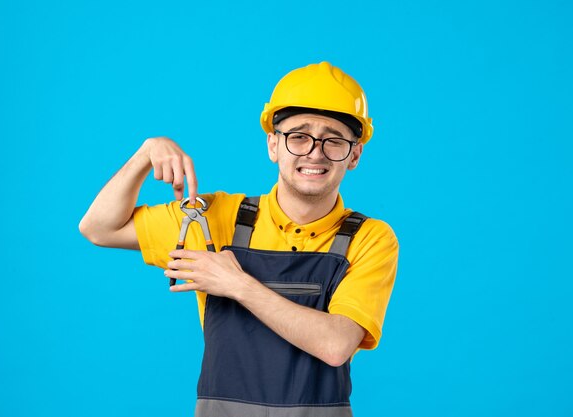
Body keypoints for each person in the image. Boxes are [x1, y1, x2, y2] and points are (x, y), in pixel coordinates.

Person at [79, 61, 399, 417]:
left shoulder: (370, 238)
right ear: (273, 145)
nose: (315, 152)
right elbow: (99, 228)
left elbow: (336, 344)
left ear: (354, 154)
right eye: (298, 137)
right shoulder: (213, 218)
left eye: (334, 140)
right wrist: (145, 154)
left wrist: (237, 284)